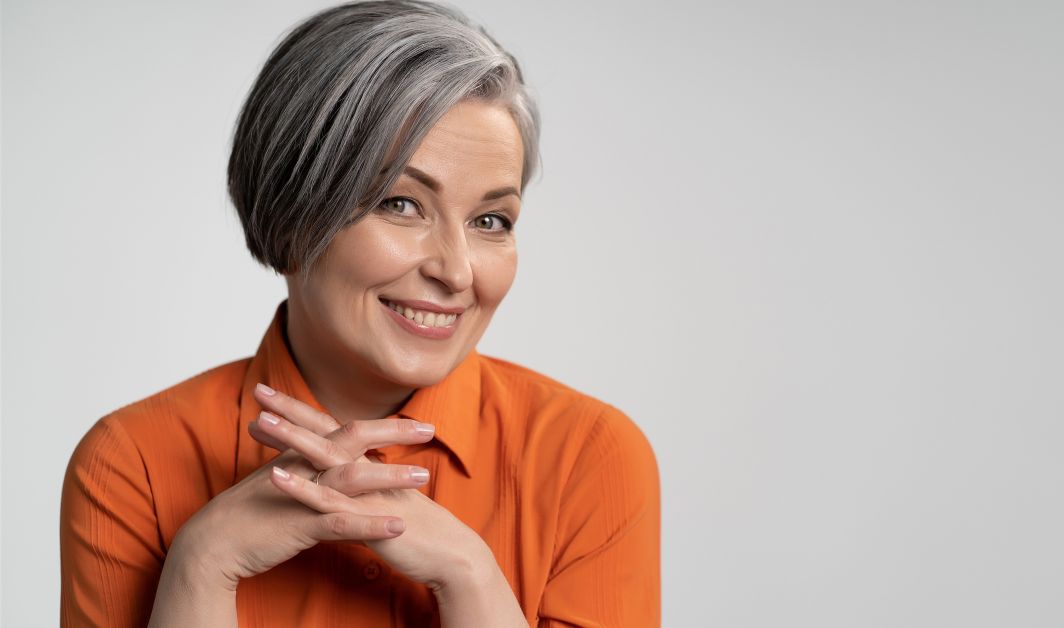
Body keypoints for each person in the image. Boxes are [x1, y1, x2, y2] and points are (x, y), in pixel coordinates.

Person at [58, 1, 660, 626]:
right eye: (401, 203)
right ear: (291, 213)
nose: (456, 272)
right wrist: (203, 563)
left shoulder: (589, 458)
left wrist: (469, 574)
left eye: (490, 220)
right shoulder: (133, 462)